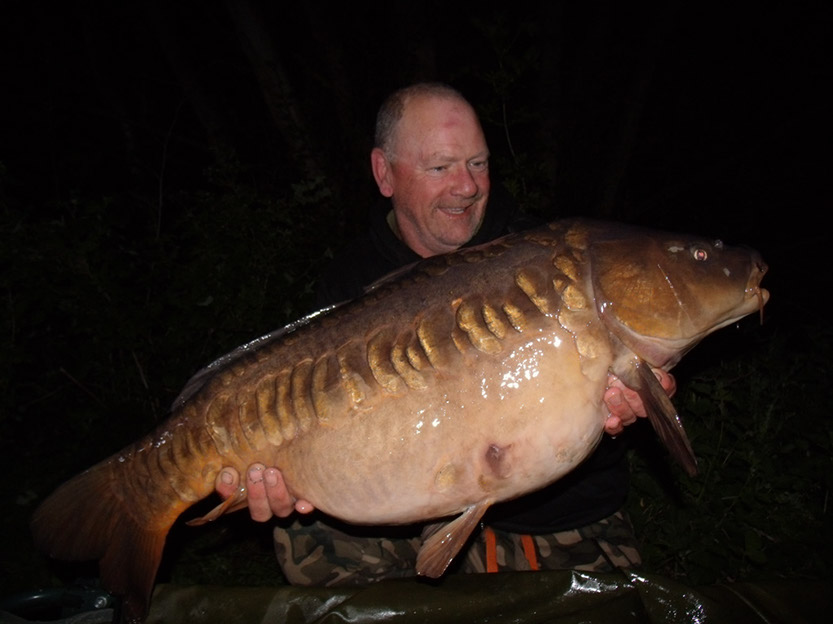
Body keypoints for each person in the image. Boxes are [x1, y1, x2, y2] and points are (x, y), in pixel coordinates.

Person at [215, 82, 675, 585]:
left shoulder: (544, 256)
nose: (468, 186)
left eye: (478, 163)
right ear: (384, 173)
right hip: (415, 507)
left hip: (557, 519)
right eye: (441, 168)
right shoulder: (350, 282)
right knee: (303, 532)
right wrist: (286, 475)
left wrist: (621, 410)